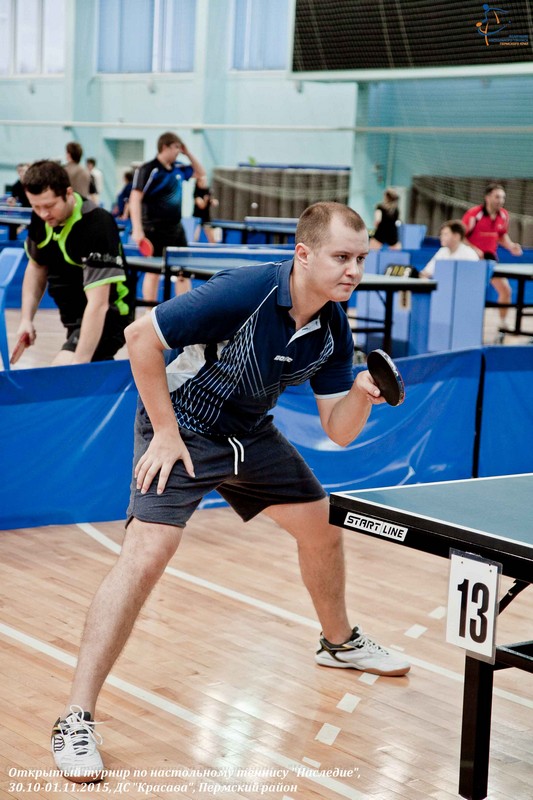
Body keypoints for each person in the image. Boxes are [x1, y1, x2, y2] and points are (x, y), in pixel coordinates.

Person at [50, 201, 411, 783]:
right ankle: (75, 718)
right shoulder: (246, 291)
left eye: (361, 259)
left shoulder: (332, 327)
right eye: (341, 257)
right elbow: (139, 337)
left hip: (249, 434)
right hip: (184, 426)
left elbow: (338, 431)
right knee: (146, 555)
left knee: (321, 523)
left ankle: (338, 643)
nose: (353, 270)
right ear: (304, 254)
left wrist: (362, 393)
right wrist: (165, 433)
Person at [17, 160, 133, 365]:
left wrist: (79, 363)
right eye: (36, 206)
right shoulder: (42, 219)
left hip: (110, 314)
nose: (43, 213)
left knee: (62, 372)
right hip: (74, 317)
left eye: (49, 206)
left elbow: (99, 304)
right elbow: (36, 267)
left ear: (68, 193)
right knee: (87, 374)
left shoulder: (97, 224)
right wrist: (26, 319)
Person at [129, 132, 205, 302]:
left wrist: (188, 153)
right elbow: (135, 199)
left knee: (183, 272)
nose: (178, 151)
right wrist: (137, 229)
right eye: (176, 147)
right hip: (154, 228)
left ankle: (184, 310)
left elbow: (201, 173)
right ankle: (150, 310)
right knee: (153, 272)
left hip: (176, 228)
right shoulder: (149, 169)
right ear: (165, 147)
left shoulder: (179, 168)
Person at [462, 183, 523, 329]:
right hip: (471, 261)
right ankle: (466, 324)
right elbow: (461, 237)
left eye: (503, 197)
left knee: (506, 290)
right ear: (487, 197)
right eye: (497, 197)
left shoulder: (504, 215)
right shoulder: (474, 214)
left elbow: (501, 235)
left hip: (490, 260)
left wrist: (511, 246)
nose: (500, 200)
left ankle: (502, 324)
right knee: (470, 293)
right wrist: (475, 250)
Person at [6, 162, 30, 240]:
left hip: (34, 209)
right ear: (18, 172)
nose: (22, 173)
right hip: (23, 210)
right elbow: (13, 198)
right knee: (12, 223)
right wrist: (11, 200)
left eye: (25, 171)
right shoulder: (16, 186)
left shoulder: (32, 184)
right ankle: (12, 242)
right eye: (20, 171)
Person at [193, 173, 218, 243]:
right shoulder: (196, 193)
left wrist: (213, 201)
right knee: (195, 238)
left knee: (212, 239)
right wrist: (206, 201)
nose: (204, 183)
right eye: (202, 181)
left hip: (206, 217)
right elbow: (202, 206)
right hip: (197, 218)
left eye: (205, 181)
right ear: (198, 182)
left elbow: (212, 201)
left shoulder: (207, 190)